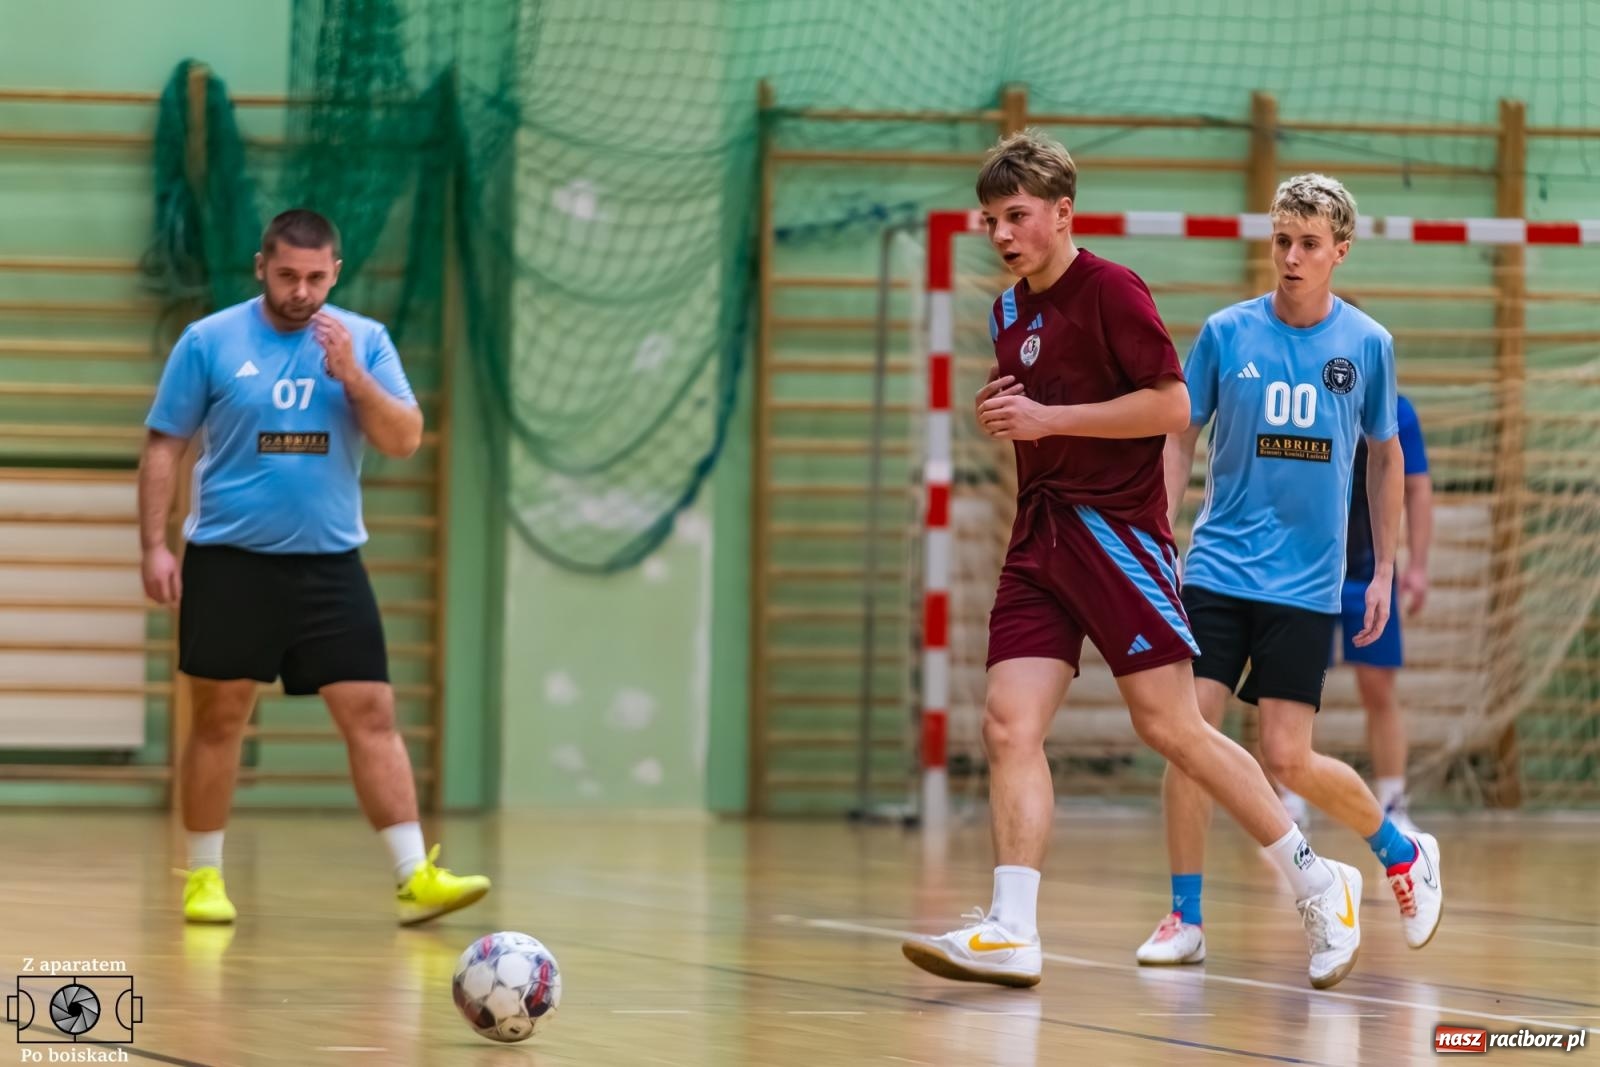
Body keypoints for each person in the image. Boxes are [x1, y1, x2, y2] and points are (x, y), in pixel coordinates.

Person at [899, 133, 1368, 991]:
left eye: (1018, 217)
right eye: (992, 220)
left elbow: (1172, 405)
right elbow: (1040, 409)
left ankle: (1316, 875)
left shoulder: (1113, 289)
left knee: (1174, 728)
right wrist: (1003, 412)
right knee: (1007, 722)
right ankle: (1012, 927)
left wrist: (1051, 421)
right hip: (1039, 538)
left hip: (1116, 535)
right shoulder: (1007, 312)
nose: (1002, 234)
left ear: (1062, 212)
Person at [139, 208, 489, 926]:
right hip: (231, 561)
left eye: (316, 278)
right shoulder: (209, 340)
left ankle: (413, 875)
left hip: (330, 563)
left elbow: (404, 439)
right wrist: (154, 544)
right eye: (287, 275)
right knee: (219, 717)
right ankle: (203, 877)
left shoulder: (365, 341)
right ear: (262, 266)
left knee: (373, 710)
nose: (301, 291)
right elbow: (164, 446)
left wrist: (354, 378)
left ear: (335, 272)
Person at [1134, 175, 1442, 972]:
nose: (1292, 257)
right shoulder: (1226, 333)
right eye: (1282, 241)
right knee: (1187, 739)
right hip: (1215, 569)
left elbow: (1386, 457)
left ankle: (1398, 849)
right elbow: (1178, 432)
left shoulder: (1367, 344)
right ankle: (1185, 915)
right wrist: (1161, 527)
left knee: (1287, 757)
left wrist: (1384, 573)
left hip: (1306, 583)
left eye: (1309, 244)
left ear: (1340, 251)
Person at [1280, 384, 1433, 835]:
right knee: (1291, 689)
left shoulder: (1396, 410)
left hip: (1367, 576)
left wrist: (1418, 566)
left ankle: (1393, 802)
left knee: (1378, 688)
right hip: (1303, 573)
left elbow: (1417, 488)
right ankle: (1289, 803)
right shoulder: (1301, 402)